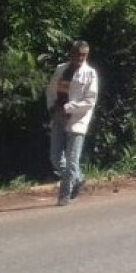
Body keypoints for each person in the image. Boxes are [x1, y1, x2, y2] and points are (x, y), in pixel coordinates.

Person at [46, 40, 99, 206]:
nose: (80, 58)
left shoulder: (90, 74)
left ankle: (65, 195)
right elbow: (51, 90)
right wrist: (52, 108)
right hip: (58, 117)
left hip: (78, 119)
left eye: (84, 55)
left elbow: (90, 100)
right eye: (78, 54)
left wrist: (69, 108)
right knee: (55, 157)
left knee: (71, 160)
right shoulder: (61, 69)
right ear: (72, 53)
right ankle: (77, 179)